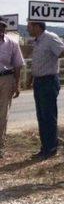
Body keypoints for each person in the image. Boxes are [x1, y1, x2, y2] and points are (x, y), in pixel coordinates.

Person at [27, 21, 64, 159]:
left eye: (29, 25)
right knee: (42, 116)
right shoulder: (37, 41)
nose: (27, 28)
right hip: (39, 81)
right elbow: (38, 61)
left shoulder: (50, 37)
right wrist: (31, 79)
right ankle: (45, 147)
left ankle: (51, 149)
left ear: (37, 26)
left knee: (48, 116)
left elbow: (63, 51)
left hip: (48, 81)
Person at [0, 17, 25, 159]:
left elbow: (17, 65)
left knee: (3, 114)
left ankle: (0, 145)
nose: (0, 29)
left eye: (2, 26)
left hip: (6, 79)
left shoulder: (12, 43)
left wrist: (17, 84)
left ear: (5, 28)